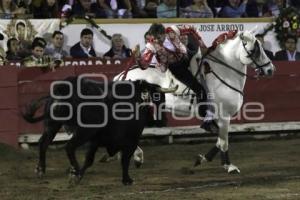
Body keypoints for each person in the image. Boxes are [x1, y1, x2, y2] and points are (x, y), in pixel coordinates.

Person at [137, 23, 218, 133]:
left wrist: (202, 45)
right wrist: (137, 57)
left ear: (164, 33)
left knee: (207, 65)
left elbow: (192, 28)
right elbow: (144, 65)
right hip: (177, 68)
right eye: (154, 37)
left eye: (158, 37)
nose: (156, 40)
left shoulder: (172, 30)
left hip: (188, 56)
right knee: (199, 89)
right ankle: (207, 119)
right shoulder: (151, 44)